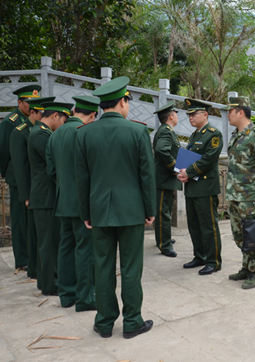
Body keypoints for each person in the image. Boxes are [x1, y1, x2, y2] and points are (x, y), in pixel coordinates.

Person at [76, 76, 156, 338]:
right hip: (132, 211)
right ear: (122, 101)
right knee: (132, 268)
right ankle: (132, 322)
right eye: (127, 101)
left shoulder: (84, 133)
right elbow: (147, 175)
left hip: (99, 211)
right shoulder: (137, 131)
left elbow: (82, 178)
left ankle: (104, 322)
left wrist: (86, 213)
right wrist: (150, 209)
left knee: (102, 266)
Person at [46, 96, 98, 311]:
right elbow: (94, 171)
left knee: (65, 247)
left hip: (62, 201)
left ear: (75, 110)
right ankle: (85, 298)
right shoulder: (86, 133)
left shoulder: (55, 135)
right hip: (83, 202)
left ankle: (67, 295)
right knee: (85, 249)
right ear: (93, 115)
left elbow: (51, 171)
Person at [225, 96, 255, 290]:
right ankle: (246, 266)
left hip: (250, 196)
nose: (227, 115)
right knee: (240, 235)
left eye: (230, 111)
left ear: (240, 112)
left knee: (254, 235)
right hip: (234, 195)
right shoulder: (236, 135)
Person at [28, 101, 72, 296]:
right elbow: (54, 162)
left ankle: (45, 281)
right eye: (63, 120)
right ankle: (50, 284)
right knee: (48, 242)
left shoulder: (41, 133)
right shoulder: (41, 135)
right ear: (55, 116)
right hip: (45, 196)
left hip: (45, 195)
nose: (63, 124)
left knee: (47, 241)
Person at [0, 85, 39, 273]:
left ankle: (32, 255)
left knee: (30, 220)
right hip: (17, 178)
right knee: (20, 220)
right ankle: (22, 259)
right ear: (19, 102)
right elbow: (0, 152)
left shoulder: (33, 119)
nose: (31, 106)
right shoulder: (10, 122)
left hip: (30, 176)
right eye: (28, 102)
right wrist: (8, 173)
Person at [10, 95, 55, 283]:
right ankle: (33, 268)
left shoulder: (38, 131)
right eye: (38, 112)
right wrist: (25, 194)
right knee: (34, 233)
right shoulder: (20, 132)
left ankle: (36, 269)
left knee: (38, 234)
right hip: (33, 190)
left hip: (40, 190)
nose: (40, 116)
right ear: (33, 112)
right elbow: (20, 168)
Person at [178, 99, 223, 275]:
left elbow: (208, 159)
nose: (190, 118)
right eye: (189, 115)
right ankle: (200, 256)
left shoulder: (213, 134)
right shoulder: (194, 135)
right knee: (194, 224)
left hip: (205, 187)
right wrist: (181, 172)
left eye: (194, 114)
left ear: (205, 115)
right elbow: (188, 157)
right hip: (192, 186)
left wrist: (187, 172)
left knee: (208, 225)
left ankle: (214, 260)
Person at [152, 100, 182, 258]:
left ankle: (165, 237)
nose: (177, 115)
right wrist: (174, 168)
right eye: (176, 113)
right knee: (163, 212)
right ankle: (164, 244)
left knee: (166, 210)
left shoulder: (167, 130)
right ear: (171, 116)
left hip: (166, 179)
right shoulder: (165, 131)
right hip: (164, 179)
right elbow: (161, 150)